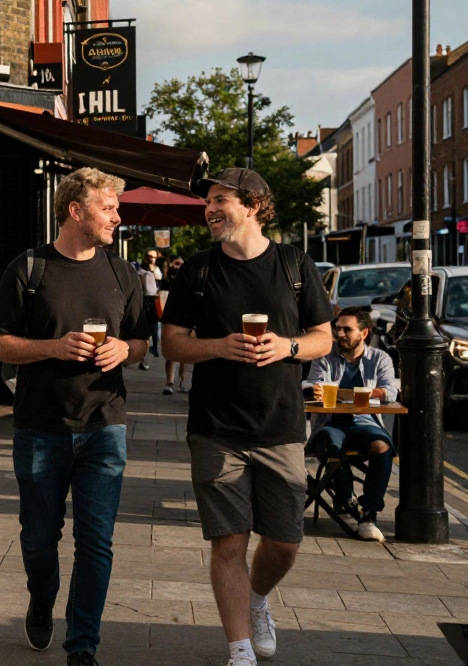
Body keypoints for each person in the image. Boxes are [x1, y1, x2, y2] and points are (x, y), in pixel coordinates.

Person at [160, 168, 333, 666]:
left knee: (284, 542)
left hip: (280, 425)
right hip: (216, 428)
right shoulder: (198, 269)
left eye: (219, 200)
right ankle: (239, 650)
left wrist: (290, 345)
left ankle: (258, 599)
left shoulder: (294, 264)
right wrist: (217, 346)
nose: (209, 210)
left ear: (254, 205)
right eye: (207, 202)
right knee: (228, 541)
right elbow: (171, 342)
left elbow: (321, 334)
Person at [0, 167, 149, 666]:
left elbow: (141, 342)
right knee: (39, 538)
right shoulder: (28, 268)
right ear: (76, 211)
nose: (116, 217)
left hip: (105, 425)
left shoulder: (123, 273)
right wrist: (53, 346)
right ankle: (41, 596)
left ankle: (82, 646)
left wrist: (125, 349)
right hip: (41, 427)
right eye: (108, 208)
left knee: (96, 540)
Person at [304, 306, 398, 542]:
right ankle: (346, 500)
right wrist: (312, 389)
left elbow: (390, 391)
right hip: (330, 423)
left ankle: (369, 513)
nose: (341, 334)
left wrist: (366, 392)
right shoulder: (325, 357)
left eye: (347, 329)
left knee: (382, 446)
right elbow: (311, 383)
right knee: (332, 447)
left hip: (365, 423)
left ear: (364, 333)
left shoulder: (380, 358)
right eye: (338, 329)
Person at [160, 256, 191, 395]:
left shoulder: (191, 279)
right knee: (171, 353)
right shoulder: (169, 280)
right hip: (173, 318)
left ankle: (179, 381)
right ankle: (171, 382)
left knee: (185, 354)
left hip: (188, 319)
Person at [136, 249, 162, 369]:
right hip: (149, 299)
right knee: (150, 328)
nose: (152, 259)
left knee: (148, 328)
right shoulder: (146, 272)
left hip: (147, 300)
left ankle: (146, 357)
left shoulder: (145, 272)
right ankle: (152, 350)